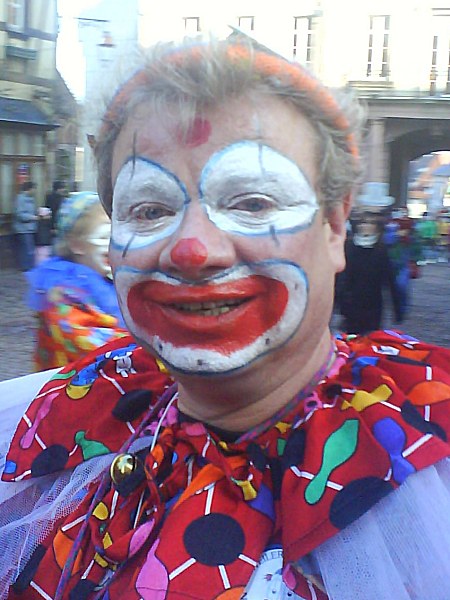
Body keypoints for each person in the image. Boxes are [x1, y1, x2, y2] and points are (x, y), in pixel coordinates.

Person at [0, 36, 450, 600]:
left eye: (253, 202)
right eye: (150, 209)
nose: (192, 249)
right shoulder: (74, 414)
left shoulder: (429, 458)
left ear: (335, 229)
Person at [25, 191, 128, 370]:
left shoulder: (112, 280)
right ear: (77, 245)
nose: (112, 246)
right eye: (104, 237)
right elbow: (91, 344)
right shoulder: (60, 292)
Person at [336, 212, 403, 334]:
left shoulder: (381, 250)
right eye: (363, 223)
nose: (365, 226)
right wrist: (337, 301)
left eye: (370, 223)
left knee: (370, 339)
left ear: (376, 227)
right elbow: (340, 276)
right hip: (350, 303)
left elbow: (390, 280)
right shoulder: (348, 246)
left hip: (373, 304)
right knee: (351, 339)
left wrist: (397, 310)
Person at [12, 181, 38, 271]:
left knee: (29, 249)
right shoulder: (20, 199)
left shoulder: (31, 199)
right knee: (27, 249)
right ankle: (27, 267)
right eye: (34, 189)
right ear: (29, 189)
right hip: (23, 229)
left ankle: (29, 266)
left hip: (31, 228)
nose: (35, 191)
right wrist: (33, 217)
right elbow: (19, 214)